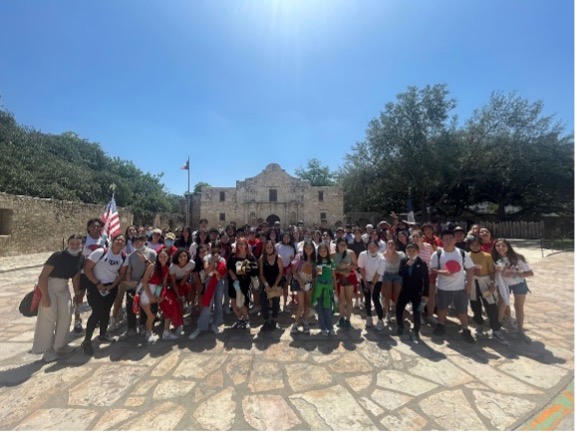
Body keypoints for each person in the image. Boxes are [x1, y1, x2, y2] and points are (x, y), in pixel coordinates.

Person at [31, 234, 84, 362]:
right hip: (49, 286)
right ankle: (47, 350)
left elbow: (76, 277)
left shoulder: (80, 258)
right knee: (48, 318)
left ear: (82, 244)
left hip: (63, 288)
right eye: (72, 243)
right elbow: (42, 277)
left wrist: (77, 295)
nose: (75, 246)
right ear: (68, 243)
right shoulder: (58, 256)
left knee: (66, 315)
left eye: (78, 244)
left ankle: (60, 345)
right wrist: (45, 296)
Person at [81, 234, 129, 355]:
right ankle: (87, 341)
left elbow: (122, 274)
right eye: (118, 240)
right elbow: (87, 268)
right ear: (112, 241)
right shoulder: (100, 252)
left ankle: (103, 334)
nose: (120, 242)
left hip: (110, 287)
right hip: (95, 286)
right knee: (96, 313)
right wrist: (97, 284)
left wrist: (112, 286)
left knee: (106, 311)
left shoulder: (124, 257)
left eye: (123, 241)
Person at [430, 229, 475, 343]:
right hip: (443, 287)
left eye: (451, 238)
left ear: (455, 240)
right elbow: (432, 269)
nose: (448, 241)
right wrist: (442, 272)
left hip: (460, 288)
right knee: (442, 308)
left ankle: (465, 329)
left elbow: (470, 268)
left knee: (462, 310)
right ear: (441, 240)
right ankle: (441, 325)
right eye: (445, 239)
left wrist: (469, 284)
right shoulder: (437, 254)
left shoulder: (462, 253)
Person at [467, 236, 509, 346]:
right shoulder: (467, 256)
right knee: (475, 304)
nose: (475, 247)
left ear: (481, 244)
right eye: (472, 245)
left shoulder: (487, 256)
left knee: (491, 305)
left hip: (485, 282)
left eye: (477, 244)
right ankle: (479, 324)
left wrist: (492, 284)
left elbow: (491, 271)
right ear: (469, 245)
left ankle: (495, 329)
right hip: (473, 282)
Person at [492, 238, 534, 343]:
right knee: (502, 305)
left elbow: (530, 273)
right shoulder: (494, 258)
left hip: (519, 284)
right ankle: (496, 328)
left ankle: (520, 329)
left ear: (508, 247)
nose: (500, 248)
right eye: (498, 246)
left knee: (518, 307)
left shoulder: (517, 258)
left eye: (503, 245)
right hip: (504, 285)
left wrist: (515, 274)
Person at [118, 234, 156, 340]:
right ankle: (131, 328)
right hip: (134, 285)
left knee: (144, 305)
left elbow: (154, 268)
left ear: (144, 241)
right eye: (135, 242)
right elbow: (129, 271)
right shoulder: (131, 256)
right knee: (130, 306)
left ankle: (143, 325)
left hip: (146, 285)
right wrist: (129, 282)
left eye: (140, 241)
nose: (138, 243)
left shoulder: (152, 253)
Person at [74, 218, 108, 333]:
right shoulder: (83, 240)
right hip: (83, 273)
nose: (96, 228)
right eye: (93, 226)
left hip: (98, 274)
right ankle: (77, 320)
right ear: (88, 228)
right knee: (79, 296)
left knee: (96, 298)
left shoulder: (105, 241)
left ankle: (96, 317)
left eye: (98, 226)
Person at [188, 242, 228, 340]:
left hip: (219, 282)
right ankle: (201, 326)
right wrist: (213, 263)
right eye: (213, 249)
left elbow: (223, 273)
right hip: (209, 282)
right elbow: (206, 271)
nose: (215, 251)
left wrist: (215, 271)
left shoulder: (222, 259)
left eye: (217, 249)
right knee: (207, 304)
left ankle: (215, 324)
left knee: (218, 303)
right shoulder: (207, 258)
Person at [396, 242, 429, 342]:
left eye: (413, 251)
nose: (411, 253)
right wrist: (407, 265)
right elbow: (400, 273)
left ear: (417, 251)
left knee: (416, 312)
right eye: (409, 251)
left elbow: (426, 279)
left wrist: (426, 293)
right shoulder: (404, 260)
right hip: (405, 289)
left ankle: (416, 330)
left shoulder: (422, 263)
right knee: (399, 308)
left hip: (417, 291)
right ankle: (400, 326)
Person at [139, 247, 170, 343]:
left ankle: (148, 331)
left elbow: (163, 284)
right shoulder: (152, 266)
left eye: (165, 256)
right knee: (151, 316)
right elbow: (144, 282)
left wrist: (159, 296)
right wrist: (151, 296)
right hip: (146, 291)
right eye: (161, 256)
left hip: (156, 290)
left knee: (153, 315)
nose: (163, 258)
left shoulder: (166, 269)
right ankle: (148, 333)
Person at [227, 237, 259, 329]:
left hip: (245, 282)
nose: (241, 245)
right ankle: (239, 319)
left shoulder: (250, 256)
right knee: (233, 304)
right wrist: (233, 273)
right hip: (233, 282)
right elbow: (228, 266)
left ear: (246, 245)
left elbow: (255, 269)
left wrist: (241, 268)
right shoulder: (233, 255)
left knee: (241, 303)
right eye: (239, 244)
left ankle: (247, 319)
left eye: (243, 244)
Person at [358, 240, 386, 331]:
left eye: (374, 247)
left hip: (377, 280)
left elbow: (378, 273)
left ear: (377, 248)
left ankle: (380, 320)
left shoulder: (382, 258)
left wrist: (373, 284)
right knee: (367, 298)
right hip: (365, 279)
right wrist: (365, 281)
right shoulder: (363, 255)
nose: (372, 249)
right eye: (370, 247)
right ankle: (369, 317)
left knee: (375, 298)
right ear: (367, 248)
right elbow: (361, 268)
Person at [290, 240, 316, 334]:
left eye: (310, 248)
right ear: (304, 248)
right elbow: (293, 271)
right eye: (307, 248)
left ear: (313, 249)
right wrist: (301, 282)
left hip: (309, 283)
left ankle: (305, 323)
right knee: (301, 305)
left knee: (307, 305)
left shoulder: (315, 260)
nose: (308, 250)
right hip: (299, 282)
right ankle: (295, 324)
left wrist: (313, 286)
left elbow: (315, 274)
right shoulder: (299, 257)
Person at [312, 243, 337, 336]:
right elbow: (319, 275)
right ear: (318, 252)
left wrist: (335, 289)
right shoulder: (318, 262)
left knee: (328, 309)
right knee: (320, 309)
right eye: (321, 251)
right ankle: (322, 327)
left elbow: (333, 276)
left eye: (324, 251)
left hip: (328, 289)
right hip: (319, 289)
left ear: (328, 251)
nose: (323, 253)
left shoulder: (331, 262)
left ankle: (330, 327)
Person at [259, 240, 284, 331]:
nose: (269, 249)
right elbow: (261, 274)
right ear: (264, 249)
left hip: (276, 282)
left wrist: (275, 285)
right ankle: (266, 320)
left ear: (273, 247)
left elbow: (281, 273)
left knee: (276, 301)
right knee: (262, 301)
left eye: (270, 247)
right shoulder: (262, 259)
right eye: (267, 247)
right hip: (266, 283)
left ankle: (274, 319)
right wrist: (266, 285)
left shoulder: (279, 258)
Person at [333, 238, 358, 330]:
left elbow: (356, 265)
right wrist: (340, 271)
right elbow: (331, 268)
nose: (342, 246)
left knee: (349, 299)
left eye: (344, 244)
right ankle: (341, 318)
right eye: (340, 244)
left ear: (347, 245)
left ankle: (347, 319)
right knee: (341, 299)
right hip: (339, 277)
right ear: (337, 245)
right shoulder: (333, 255)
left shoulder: (351, 253)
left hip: (349, 276)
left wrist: (348, 267)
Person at [382, 239, 406, 323]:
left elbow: (405, 264)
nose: (391, 245)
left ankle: (398, 313)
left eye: (392, 244)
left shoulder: (401, 254)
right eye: (389, 244)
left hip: (398, 275)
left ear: (395, 246)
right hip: (387, 275)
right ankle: (387, 313)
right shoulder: (382, 255)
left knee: (398, 296)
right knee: (387, 295)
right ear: (386, 246)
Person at [276, 232, 296, 312]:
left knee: (285, 287)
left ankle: (285, 304)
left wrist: (290, 272)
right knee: (278, 287)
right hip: (278, 269)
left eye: (288, 237)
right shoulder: (278, 246)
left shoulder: (291, 249)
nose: (286, 239)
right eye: (285, 237)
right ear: (282, 238)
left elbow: (292, 260)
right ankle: (277, 305)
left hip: (287, 269)